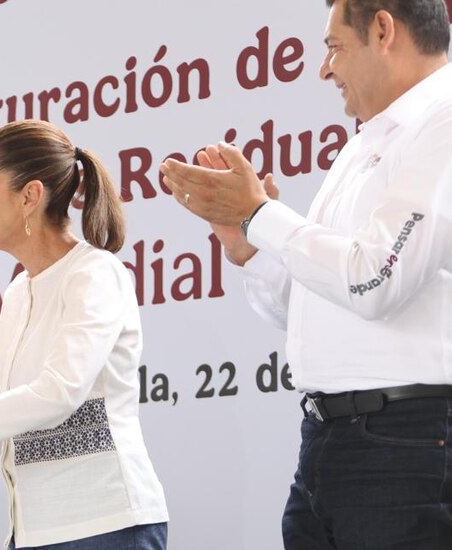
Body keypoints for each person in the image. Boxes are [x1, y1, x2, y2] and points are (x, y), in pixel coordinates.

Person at [159, 1, 452, 547]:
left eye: (334, 47)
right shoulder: (364, 143)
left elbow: (375, 280)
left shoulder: (444, 122)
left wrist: (262, 214)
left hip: (405, 446)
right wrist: (250, 245)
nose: (324, 69)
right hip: (326, 442)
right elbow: (309, 304)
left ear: (383, 30)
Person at [0, 119, 169, 549]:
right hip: (34, 531)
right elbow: (4, 413)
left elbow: (60, 392)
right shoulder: (19, 292)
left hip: (105, 526)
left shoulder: (94, 274)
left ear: (30, 196)